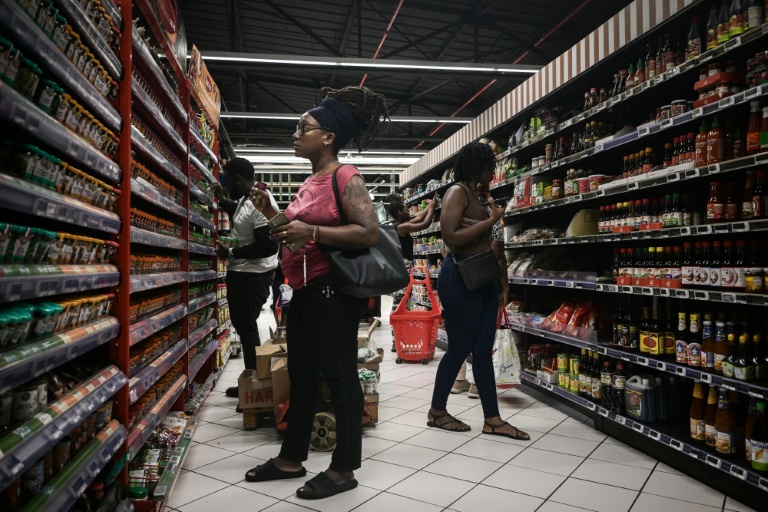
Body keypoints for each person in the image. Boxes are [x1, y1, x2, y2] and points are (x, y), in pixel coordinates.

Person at [245, 85, 390, 500]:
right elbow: (293, 239)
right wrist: (272, 212)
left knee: (340, 377)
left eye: (302, 127)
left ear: (327, 136)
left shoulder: (346, 176)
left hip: (331, 290)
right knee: (302, 376)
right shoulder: (312, 181)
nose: (295, 133)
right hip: (304, 290)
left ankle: (344, 470)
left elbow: (369, 231)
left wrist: (311, 230)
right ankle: (291, 458)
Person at [427, 141, 528, 441]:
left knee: (483, 350)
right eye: (490, 166)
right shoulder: (457, 192)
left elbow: (495, 245)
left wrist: (502, 284)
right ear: (479, 166)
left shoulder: (483, 198)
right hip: (459, 275)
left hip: (483, 276)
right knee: (459, 347)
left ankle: (493, 419)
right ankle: (437, 411)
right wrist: (491, 220)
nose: (494, 172)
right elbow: (451, 237)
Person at [213, 158, 280, 398]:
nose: (225, 182)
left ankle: (253, 386)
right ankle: (251, 381)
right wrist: (223, 202)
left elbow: (269, 246)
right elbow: (240, 213)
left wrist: (231, 252)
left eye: (227, 178)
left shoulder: (259, 202)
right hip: (244, 273)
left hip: (253, 276)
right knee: (245, 327)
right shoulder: (246, 199)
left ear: (237, 178)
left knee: (247, 328)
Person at [452, 181, 508, 397]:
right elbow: (498, 253)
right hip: (483, 279)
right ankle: (477, 384)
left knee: (462, 332)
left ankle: (459, 380)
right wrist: (504, 286)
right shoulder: (490, 218)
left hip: (460, 278)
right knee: (483, 336)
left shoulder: (460, 215)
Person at [387, 193, 437, 351]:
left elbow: (419, 217)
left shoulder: (400, 224)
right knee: (399, 303)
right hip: (403, 267)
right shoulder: (401, 227)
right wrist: (433, 208)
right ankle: (397, 341)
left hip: (402, 266)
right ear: (400, 212)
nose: (409, 211)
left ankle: (400, 339)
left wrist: (429, 205)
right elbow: (425, 223)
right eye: (407, 209)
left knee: (403, 302)